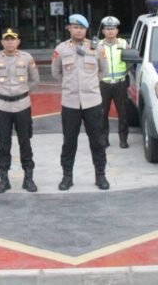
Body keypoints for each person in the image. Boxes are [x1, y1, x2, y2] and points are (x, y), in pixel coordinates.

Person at [52, 13, 109, 191]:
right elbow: (56, 74)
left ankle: (100, 175)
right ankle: (67, 176)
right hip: (70, 103)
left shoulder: (96, 47)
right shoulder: (60, 49)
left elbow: (103, 71)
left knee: (97, 141)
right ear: (69, 28)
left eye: (82, 28)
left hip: (92, 102)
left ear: (86, 29)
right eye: (75, 27)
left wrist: (89, 85)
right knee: (69, 141)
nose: (78, 30)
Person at [0, 27, 39, 193]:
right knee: (3, 143)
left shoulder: (26, 57)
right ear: (2, 42)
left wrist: (21, 92)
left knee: (25, 142)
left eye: (12, 39)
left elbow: (35, 80)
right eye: (6, 39)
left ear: (18, 41)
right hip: (2, 106)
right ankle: (3, 179)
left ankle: (28, 178)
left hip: (22, 105)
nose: (9, 42)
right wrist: (3, 93)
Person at [97, 15, 129, 148]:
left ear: (117, 30)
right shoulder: (97, 45)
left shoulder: (124, 44)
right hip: (104, 84)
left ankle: (123, 139)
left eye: (113, 28)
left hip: (120, 84)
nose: (110, 31)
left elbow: (131, 62)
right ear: (103, 31)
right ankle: (104, 139)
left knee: (123, 113)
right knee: (102, 113)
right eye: (107, 29)